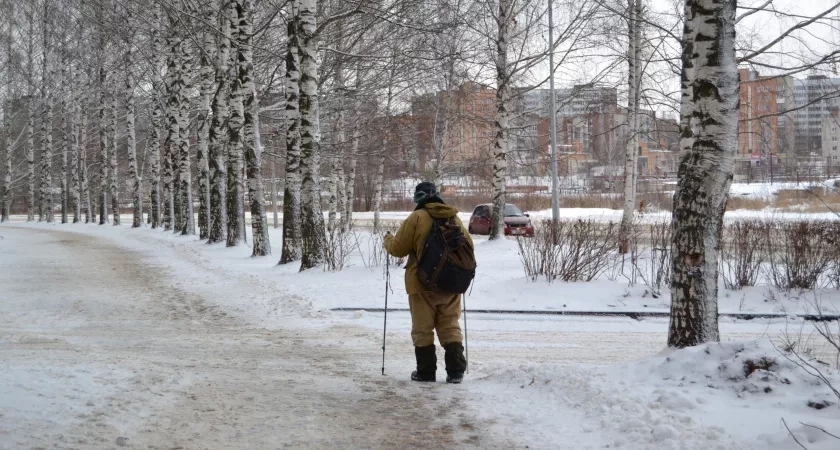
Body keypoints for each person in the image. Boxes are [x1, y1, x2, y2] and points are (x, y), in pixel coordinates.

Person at [383, 182, 472, 384]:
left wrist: (387, 239)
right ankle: (456, 371)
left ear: (418, 198)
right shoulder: (454, 217)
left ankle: (426, 372)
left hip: (421, 284)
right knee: (450, 325)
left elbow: (398, 249)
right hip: (451, 283)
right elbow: (469, 247)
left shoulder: (416, 218)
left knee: (422, 328)